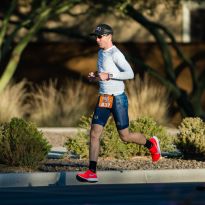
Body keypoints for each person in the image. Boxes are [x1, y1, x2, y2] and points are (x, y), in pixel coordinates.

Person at [76, 24, 161, 183]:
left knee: (125, 136)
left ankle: (151, 144)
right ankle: (92, 171)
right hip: (104, 98)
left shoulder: (116, 54)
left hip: (118, 99)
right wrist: (95, 77)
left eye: (100, 36)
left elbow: (130, 73)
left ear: (109, 36)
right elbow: (104, 75)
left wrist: (109, 75)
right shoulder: (101, 53)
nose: (97, 39)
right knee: (94, 133)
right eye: (96, 36)